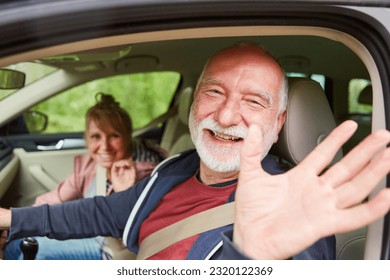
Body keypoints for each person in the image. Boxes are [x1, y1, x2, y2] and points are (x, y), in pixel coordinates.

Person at [0, 42, 389, 260]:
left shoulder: (289, 208)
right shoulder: (173, 169)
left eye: (253, 102)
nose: (225, 113)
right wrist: (13, 219)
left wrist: (250, 256)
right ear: (193, 101)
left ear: (280, 121)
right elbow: (102, 212)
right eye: (214, 92)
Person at [0, 93, 167, 260]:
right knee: (17, 241)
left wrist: (126, 192)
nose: (104, 146)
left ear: (128, 137)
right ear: (86, 138)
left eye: (114, 136)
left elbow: (140, 236)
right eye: (96, 136)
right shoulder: (91, 165)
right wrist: (13, 223)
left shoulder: (148, 173)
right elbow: (54, 198)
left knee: (40, 253)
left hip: (115, 250)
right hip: (93, 233)